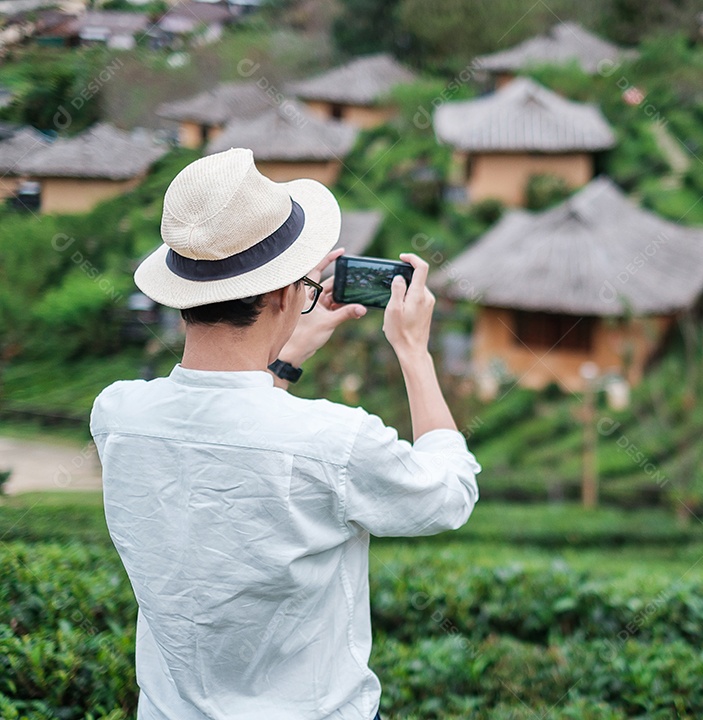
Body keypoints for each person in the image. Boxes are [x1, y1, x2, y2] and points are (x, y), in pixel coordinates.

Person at [90, 148, 481, 720]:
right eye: (301, 284)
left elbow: (228, 425)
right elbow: (450, 494)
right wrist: (414, 351)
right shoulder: (335, 441)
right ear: (280, 296)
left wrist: (289, 348)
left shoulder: (118, 415)